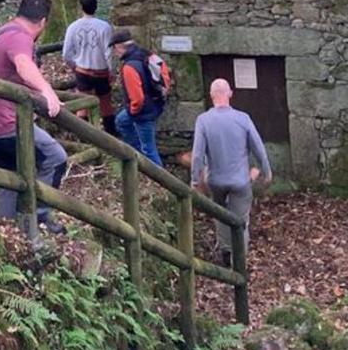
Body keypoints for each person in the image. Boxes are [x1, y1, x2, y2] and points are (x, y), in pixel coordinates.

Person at [0, 0, 67, 234]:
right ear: (43, 22)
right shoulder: (19, 38)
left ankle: (7, 227)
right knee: (56, 158)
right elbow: (24, 66)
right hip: (6, 124)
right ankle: (39, 216)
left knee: (9, 172)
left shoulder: (2, 31)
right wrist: (47, 90)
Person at [190, 78, 272, 267]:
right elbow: (258, 147)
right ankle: (239, 263)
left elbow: (197, 156)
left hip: (216, 181)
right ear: (230, 94)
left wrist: (195, 181)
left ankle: (226, 252)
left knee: (221, 215)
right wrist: (266, 172)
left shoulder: (203, 120)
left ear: (211, 96)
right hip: (240, 181)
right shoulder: (243, 119)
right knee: (240, 221)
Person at [109, 29, 171, 166]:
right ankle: (137, 156)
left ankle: (160, 179)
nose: (114, 52)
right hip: (155, 104)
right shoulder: (147, 55)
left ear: (119, 46)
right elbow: (165, 75)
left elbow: (137, 98)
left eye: (114, 48)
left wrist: (134, 111)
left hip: (142, 111)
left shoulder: (129, 67)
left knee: (149, 149)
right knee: (121, 121)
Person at [61, 0, 117, 135]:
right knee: (105, 104)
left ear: (81, 7)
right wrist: (112, 71)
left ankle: (83, 135)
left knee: (83, 103)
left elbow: (66, 53)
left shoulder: (73, 27)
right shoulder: (104, 27)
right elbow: (108, 52)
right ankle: (111, 134)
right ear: (96, 7)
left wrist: (74, 66)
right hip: (101, 71)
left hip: (82, 70)